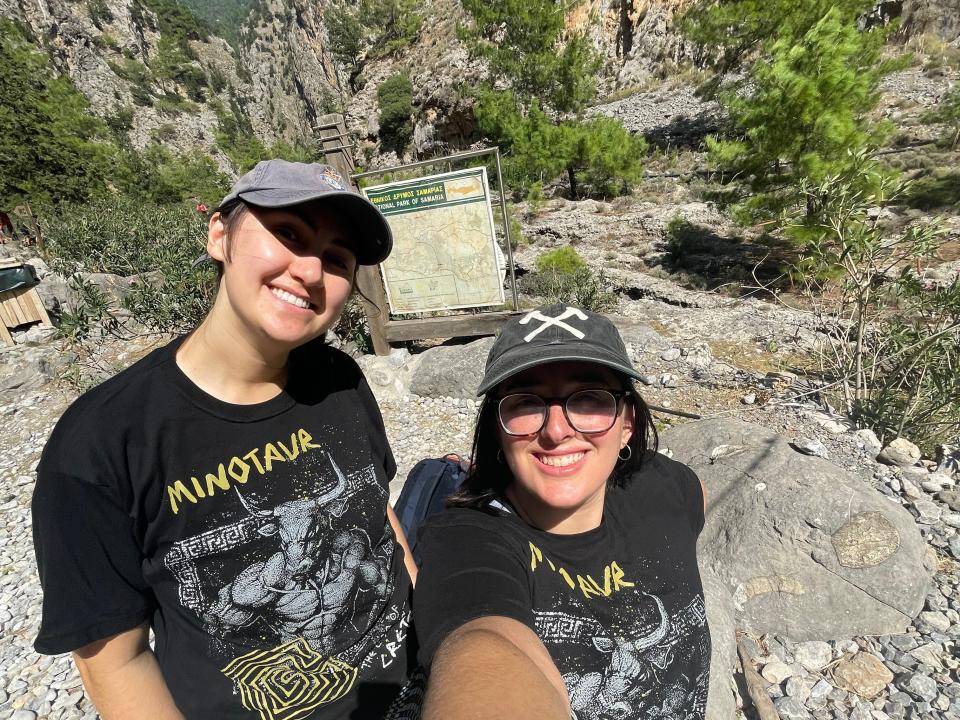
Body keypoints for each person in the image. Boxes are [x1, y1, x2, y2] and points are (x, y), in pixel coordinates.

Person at [32, 160, 419, 719]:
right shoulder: (100, 444)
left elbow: (379, 521)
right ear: (219, 235)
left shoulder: (340, 379)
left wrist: (438, 637)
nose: (309, 271)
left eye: (336, 259)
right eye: (288, 233)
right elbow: (116, 661)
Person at [413, 303, 711, 720]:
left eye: (589, 399)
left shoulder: (667, 486)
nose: (556, 431)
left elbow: (696, 494)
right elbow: (481, 641)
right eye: (525, 401)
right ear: (498, 429)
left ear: (627, 423)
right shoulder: (466, 541)